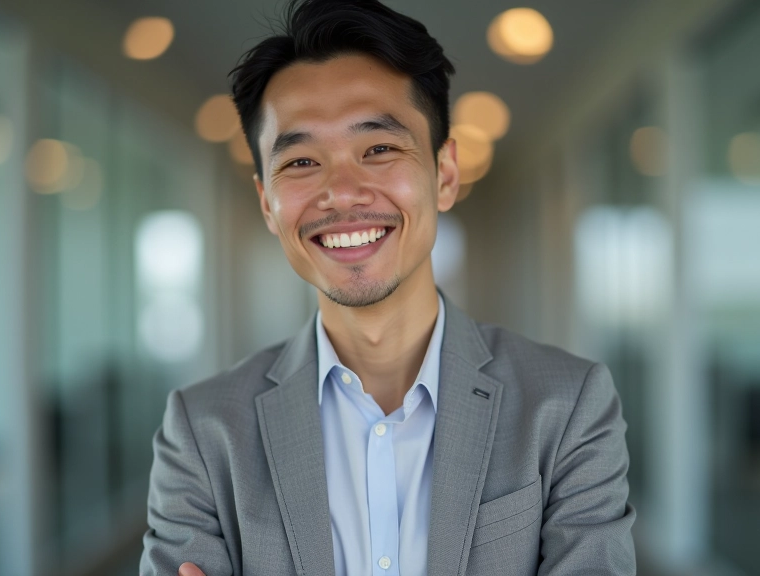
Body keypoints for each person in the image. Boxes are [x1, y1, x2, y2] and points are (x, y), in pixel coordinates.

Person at [140, 0, 636, 574]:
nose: (341, 193)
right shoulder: (201, 433)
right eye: (300, 162)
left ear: (444, 174)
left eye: (378, 149)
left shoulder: (569, 406)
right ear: (268, 204)